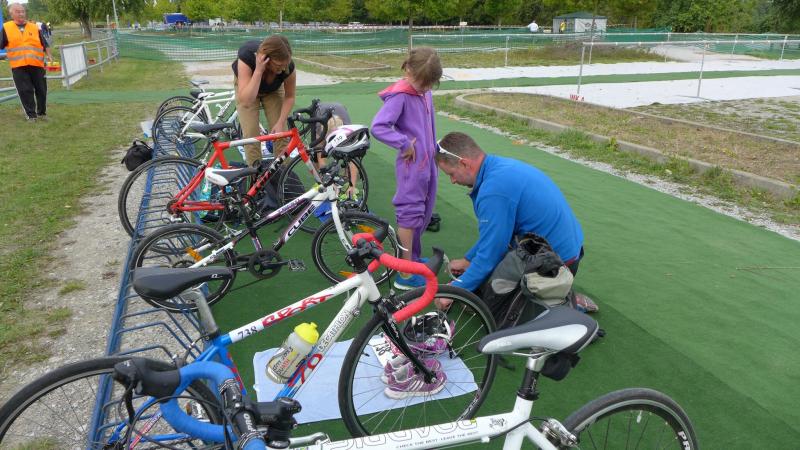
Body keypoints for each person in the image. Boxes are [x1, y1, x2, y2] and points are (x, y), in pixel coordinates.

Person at [434, 131, 598, 312]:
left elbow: (490, 254)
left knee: (485, 305)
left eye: (451, 174)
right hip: (565, 251)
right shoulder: (498, 166)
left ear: (464, 163)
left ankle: (563, 301)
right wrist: (468, 260)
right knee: (480, 281)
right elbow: (496, 235)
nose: (452, 181)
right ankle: (555, 293)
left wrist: (454, 291)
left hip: (557, 264)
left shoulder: (493, 191)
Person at [371, 47, 442, 290]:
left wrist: (432, 150)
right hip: (412, 166)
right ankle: (404, 272)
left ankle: (412, 258)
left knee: (423, 212)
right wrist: (403, 143)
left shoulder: (425, 93)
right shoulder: (401, 95)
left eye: (429, 84)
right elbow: (379, 126)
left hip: (428, 164)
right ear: (408, 70)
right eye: (422, 83)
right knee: (409, 214)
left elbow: (428, 125)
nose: (425, 88)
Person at [232, 35, 296, 167]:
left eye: (285, 65)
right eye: (279, 65)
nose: (283, 69)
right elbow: (246, 102)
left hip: (273, 90)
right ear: (266, 59)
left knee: (281, 133)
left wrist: (280, 122)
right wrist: (258, 70)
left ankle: (283, 171)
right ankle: (255, 173)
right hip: (249, 88)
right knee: (251, 135)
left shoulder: (288, 67)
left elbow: (289, 97)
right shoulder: (247, 56)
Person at [1, 3, 54, 122]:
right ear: (12, 14)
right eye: (18, 12)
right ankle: (31, 116)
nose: (21, 14)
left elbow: (44, 43)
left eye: (23, 11)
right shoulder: (6, 28)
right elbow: (1, 44)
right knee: (25, 91)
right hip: (18, 66)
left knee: (41, 90)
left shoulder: (34, 27)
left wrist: (49, 56)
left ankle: (42, 113)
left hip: (37, 64)